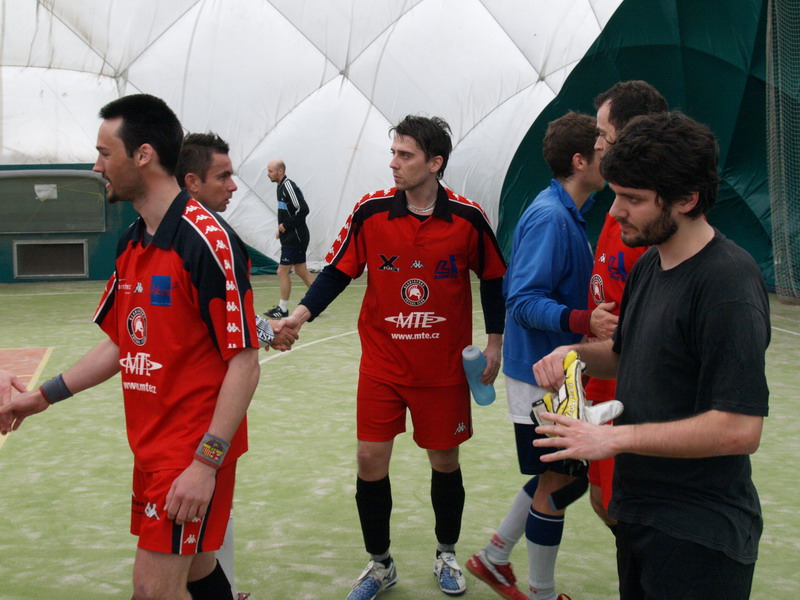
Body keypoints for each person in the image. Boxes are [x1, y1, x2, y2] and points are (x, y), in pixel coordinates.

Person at [0, 94, 261, 600]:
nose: (96, 167)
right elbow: (121, 344)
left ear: (143, 155)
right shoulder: (133, 241)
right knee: (197, 571)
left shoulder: (207, 241)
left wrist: (205, 464)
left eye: (104, 153)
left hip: (189, 451)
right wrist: (40, 397)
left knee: (153, 590)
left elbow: (245, 363)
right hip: (151, 448)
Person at [533, 111, 769, 600]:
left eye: (633, 199)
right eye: (616, 193)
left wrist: (612, 439)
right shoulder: (649, 265)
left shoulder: (727, 283)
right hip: (641, 513)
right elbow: (626, 354)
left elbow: (739, 429)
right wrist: (572, 354)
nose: (615, 211)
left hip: (699, 532)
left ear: (687, 199)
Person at [280, 115, 507, 599]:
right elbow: (337, 271)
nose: (394, 163)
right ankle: (380, 564)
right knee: (369, 459)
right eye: (394, 153)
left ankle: (446, 552)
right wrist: (299, 315)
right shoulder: (371, 211)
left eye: (406, 155)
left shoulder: (468, 217)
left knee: (444, 461)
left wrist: (495, 342)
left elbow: (493, 277)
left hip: (442, 369)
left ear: (435, 162)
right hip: (382, 364)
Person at [466, 111, 605, 600]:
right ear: (579, 160)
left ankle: (494, 557)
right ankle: (538, 590)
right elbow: (522, 301)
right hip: (541, 376)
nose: (611, 157)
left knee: (562, 477)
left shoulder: (567, 212)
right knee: (562, 482)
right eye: (603, 150)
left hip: (556, 371)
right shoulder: (550, 217)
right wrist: (584, 320)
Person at [574, 81, 668, 528]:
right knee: (602, 500)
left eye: (603, 134)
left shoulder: (654, 224)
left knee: (627, 510)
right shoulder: (616, 211)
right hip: (602, 380)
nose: (596, 143)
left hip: (631, 393)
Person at [176, 132, 298, 352]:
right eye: (223, 177)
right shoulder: (213, 239)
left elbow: (222, 310)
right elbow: (228, 319)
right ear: (192, 182)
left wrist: (265, 329)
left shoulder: (148, 230)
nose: (233, 186)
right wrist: (268, 331)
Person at [263, 159, 315, 318]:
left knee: (282, 271)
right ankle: (318, 301)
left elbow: (303, 209)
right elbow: (286, 211)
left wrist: (286, 225)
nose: (268, 174)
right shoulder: (280, 187)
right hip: (290, 236)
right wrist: (282, 229)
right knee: (301, 270)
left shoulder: (288, 186)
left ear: (280, 171)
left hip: (296, 238)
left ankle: (283, 309)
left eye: (270, 171)